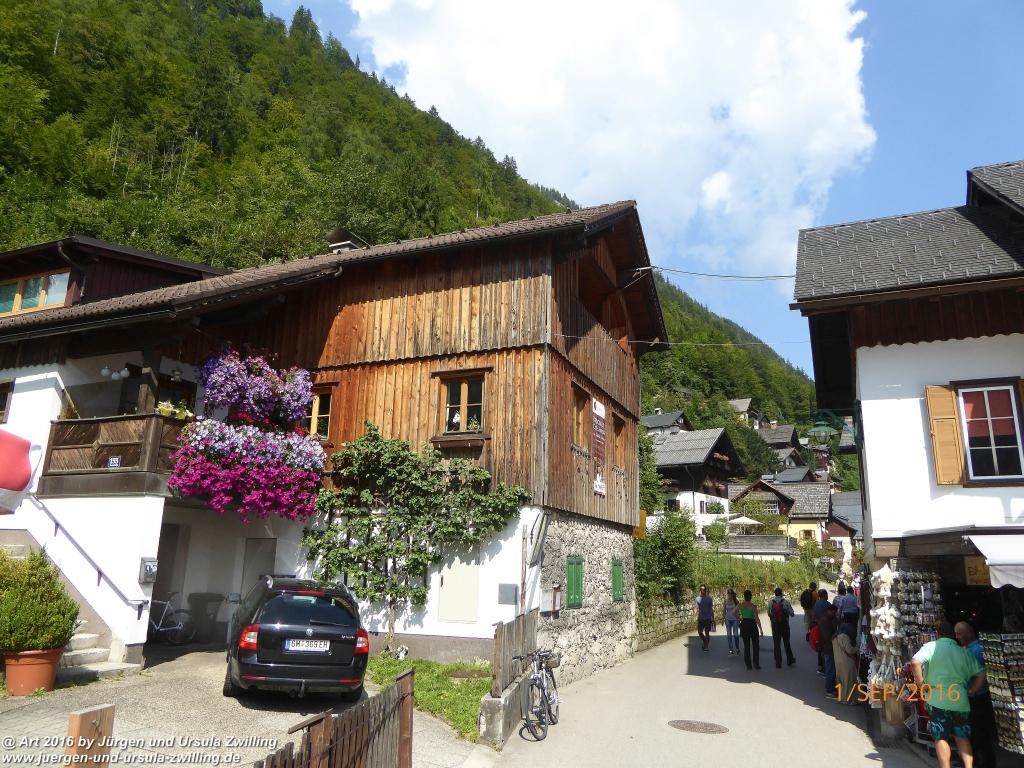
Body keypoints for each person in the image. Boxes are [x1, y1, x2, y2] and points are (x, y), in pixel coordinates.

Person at [910, 621, 987, 768]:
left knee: (940, 737)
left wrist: (921, 684)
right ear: (953, 635)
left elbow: (915, 662)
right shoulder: (963, 652)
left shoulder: (931, 647)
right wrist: (972, 690)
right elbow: (981, 673)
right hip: (960, 700)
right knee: (962, 737)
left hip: (937, 699)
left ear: (938, 633)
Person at [955, 621, 997, 768]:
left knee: (980, 735)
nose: (957, 636)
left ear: (969, 632)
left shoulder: (976, 650)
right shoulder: (971, 649)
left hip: (978, 698)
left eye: (959, 633)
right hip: (976, 697)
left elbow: (980, 673)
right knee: (978, 735)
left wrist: (971, 690)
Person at [768, 587, 797, 668]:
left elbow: (769, 613)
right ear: (781, 593)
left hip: (775, 625)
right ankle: (790, 660)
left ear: (774, 594)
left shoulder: (771, 602)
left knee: (776, 643)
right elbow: (792, 614)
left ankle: (778, 662)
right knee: (786, 643)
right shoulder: (786, 602)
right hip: (784, 625)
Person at [833, 621, 859, 704]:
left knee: (842, 682)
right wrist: (857, 648)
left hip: (838, 663)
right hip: (847, 663)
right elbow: (850, 650)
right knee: (849, 683)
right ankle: (848, 700)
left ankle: (842, 698)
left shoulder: (834, 637)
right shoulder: (844, 637)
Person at [737, 589, 763, 670]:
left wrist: (740, 619)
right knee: (755, 645)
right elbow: (757, 618)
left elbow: (733, 613)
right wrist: (761, 629)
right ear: (751, 597)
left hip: (744, 624)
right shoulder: (753, 606)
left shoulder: (740, 605)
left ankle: (748, 665)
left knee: (746, 645)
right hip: (752, 625)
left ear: (744, 597)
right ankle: (756, 664)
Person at [819, 604, 838, 697]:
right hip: (828, 649)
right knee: (830, 670)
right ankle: (830, 690)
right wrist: (836, 634)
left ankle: (830, 688)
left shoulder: (825, 619)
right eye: (834, 612)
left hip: (826, 648)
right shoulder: (826, 621)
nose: (835, 614)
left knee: (830, 669)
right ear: (829, 611)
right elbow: (827, 637)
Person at [813, 588, 830, 674]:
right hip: (825, 628)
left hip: (817, 627)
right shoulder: (827, 604)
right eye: (827, 594)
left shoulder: (816, 604)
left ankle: (820, 666)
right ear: (824, 595)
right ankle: (825, 668)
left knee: (819, 647)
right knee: (825, 647)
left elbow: (814, 615)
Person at [695, 585, 714, 652]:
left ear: (706, 590)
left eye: (704, 589)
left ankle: (706, 646)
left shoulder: (709, 598)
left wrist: (713, 618)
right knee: (700, 632)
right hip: (701, 618)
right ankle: (705, 641)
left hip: (708, 618)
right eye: (702, 589)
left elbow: (711, 609)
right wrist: (694, 616)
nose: (703, 590)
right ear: (700, 590)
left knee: (707, 633)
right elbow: (696, 608)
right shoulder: (697, 599)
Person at [723, 589, 740, 656]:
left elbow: (738, 610)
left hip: (735, 619)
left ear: (733, 594)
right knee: (729, 635)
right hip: (727, 619)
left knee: (736, 635)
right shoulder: (725, 601)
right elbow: (724, 610)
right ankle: (731, 649)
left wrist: (739, 618)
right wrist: (723, 618)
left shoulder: (736, 601)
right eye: (728, 593)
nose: (730, 594)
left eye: (731, 593)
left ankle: (737, 648)